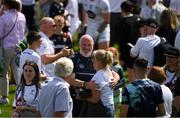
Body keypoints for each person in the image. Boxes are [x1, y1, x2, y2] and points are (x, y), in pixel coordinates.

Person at [0, 0, 26, 104]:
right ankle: (22, 95)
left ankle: (4, 97)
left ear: (6, 4)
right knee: (17, 72)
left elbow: (0, 35)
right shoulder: (22, 16)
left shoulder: (3, 18)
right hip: (19, 47)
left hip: (6, 48)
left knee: (4, 73)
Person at [80, 49, 114, 117]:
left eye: (93, 62)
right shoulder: (108, 72)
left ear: (98, 62)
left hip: (101, 110)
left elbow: (95, 99)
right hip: (110, 107)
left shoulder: (98, 76)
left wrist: (82, 97)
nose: (93, 64)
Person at [116, 0, 141, 83]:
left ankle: (133, 92)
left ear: (122, 9)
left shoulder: (122, 22)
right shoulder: (138, 19)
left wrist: (122, 56)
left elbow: (121, 41)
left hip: (128, 52)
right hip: (140, 49)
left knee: (131, 75)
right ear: (132, 8)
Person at [106, 47, 125, 113]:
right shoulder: (104, 66)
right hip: (106, 94)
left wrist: (115, 86)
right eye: (108, 56)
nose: (110, 58)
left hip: (116, 94)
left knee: (112, 112)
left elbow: (123, 81)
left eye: (112, 56)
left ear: (116, 56)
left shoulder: (118, 68)